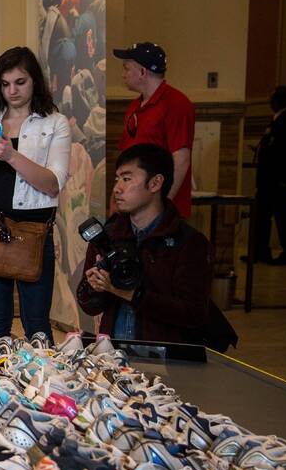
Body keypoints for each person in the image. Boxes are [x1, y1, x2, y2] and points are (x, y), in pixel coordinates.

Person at [0, 47, 71, 341]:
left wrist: (10, 155)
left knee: (37, 324)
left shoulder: (55, 123)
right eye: (5, 84)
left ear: (35, 80)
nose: (12, 91)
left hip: (34, 228)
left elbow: (52, 184)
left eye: (20, 82)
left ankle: (42, 372)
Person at [76, 144, 212, 345]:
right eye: (117, 179)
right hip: (112, 354)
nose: (117, 188)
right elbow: (90, 307)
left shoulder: (188, 242)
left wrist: (132, 294)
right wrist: (94, 287)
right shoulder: (109, 235)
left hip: (164, 357)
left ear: (155, 183)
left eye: (127, 179)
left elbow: (193, 314)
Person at [115, 42, 196, 217]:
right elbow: (126, 159)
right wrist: (117, 197)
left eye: (127, 69)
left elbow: (181, 158)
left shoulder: (176, 104)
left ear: (142, 72)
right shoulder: (134, 107)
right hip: (134, 207)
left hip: (162, 210)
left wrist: (162, 205)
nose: (123, 74)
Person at [250, 85, 286, 265]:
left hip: (280, 180)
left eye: (271, 99)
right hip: (270, 179)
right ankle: (260, 251)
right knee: (262, 216)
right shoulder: (279, 118)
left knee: (284, 217)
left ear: (278, 101)